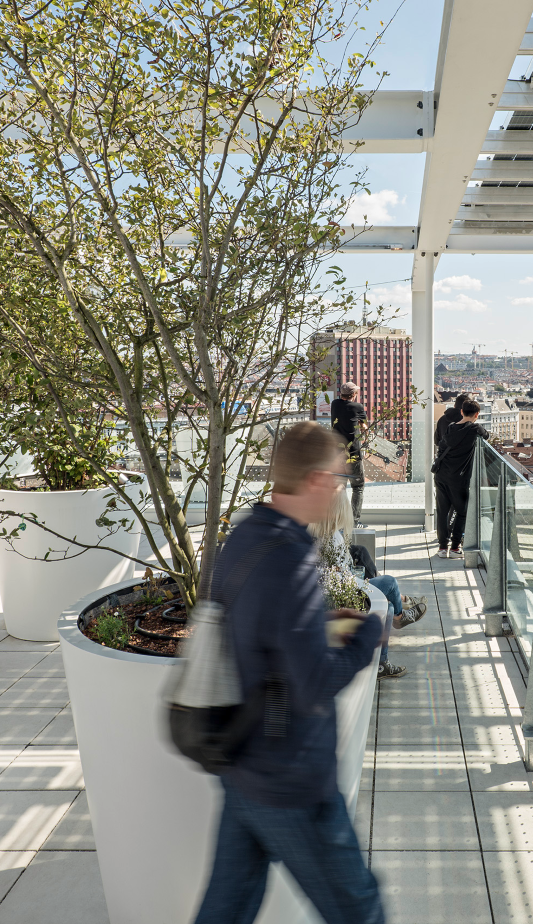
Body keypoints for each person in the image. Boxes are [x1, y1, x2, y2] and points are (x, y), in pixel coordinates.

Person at [193, 421, 385, 924]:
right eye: (338, 478)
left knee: (224, 912)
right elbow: (315, 683)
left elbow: (255, 633)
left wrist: (313, 625)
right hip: (291, 778)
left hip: (242, 764)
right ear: (317, 480)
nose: (340, 489)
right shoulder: (290, 561)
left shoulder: (245, 537)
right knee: (359, 909)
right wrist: (367, 635)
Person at [309, 491, 426, 680]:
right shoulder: (331, 539)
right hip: (342, 597)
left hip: (341, 592)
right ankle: (400, 617)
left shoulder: (320, 533)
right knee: (389, 582)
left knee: (387, 606)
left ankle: (382, 664)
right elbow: (336, 577)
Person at [433, 399, 488, 558]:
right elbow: (486, 435)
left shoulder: (450, 427)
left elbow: (441, 445)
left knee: (442, 512)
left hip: (441, 475)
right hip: (459, 477)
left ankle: (442, 548)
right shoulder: (475, 429)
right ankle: (455, 548)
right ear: (477, 415)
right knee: (462, 511)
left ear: (462, 412)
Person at [328, 382, 367, 520]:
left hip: (337, 454)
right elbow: (364, 425)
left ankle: (339, 520)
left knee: (340, 488)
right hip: (353, 453)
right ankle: (354, 520)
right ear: (354, 394)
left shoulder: (334, 404)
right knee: (358, 487)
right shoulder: (358, 407)